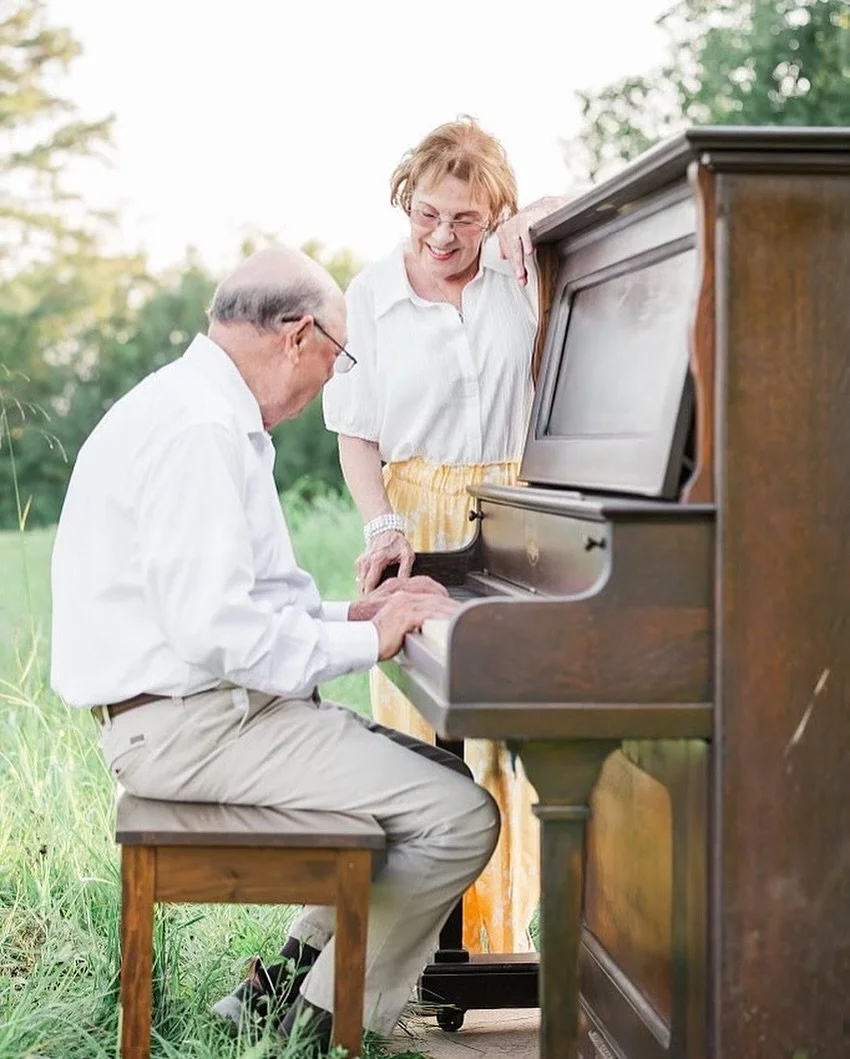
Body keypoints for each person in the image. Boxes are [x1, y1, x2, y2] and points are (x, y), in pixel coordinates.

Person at [50, 246, 501, 1054]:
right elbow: (218, 631)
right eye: (336, 358)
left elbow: (245, 601)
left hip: (196, 712)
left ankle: (276, 993)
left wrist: (355, 610)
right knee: (461, 816)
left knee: (435, 780)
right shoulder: (199, 432)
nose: (330, 379)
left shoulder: (198, 409)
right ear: (299, 336)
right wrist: (369, 638)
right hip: (194, 727)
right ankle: (320, 1032)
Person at [322, 116, 566, 955]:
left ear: (493, 214)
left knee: (507, 739)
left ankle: (490, 948)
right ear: (405, 203)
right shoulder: (369, 295)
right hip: (418, 513)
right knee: (423, 738)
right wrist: (382, 520)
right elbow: (356, 430)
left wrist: (538, 212)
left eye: (465, 218)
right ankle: (414, 951)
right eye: (426, 213)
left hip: (515, 507)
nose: (442, 236)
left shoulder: (517, 273)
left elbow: (568, 218)